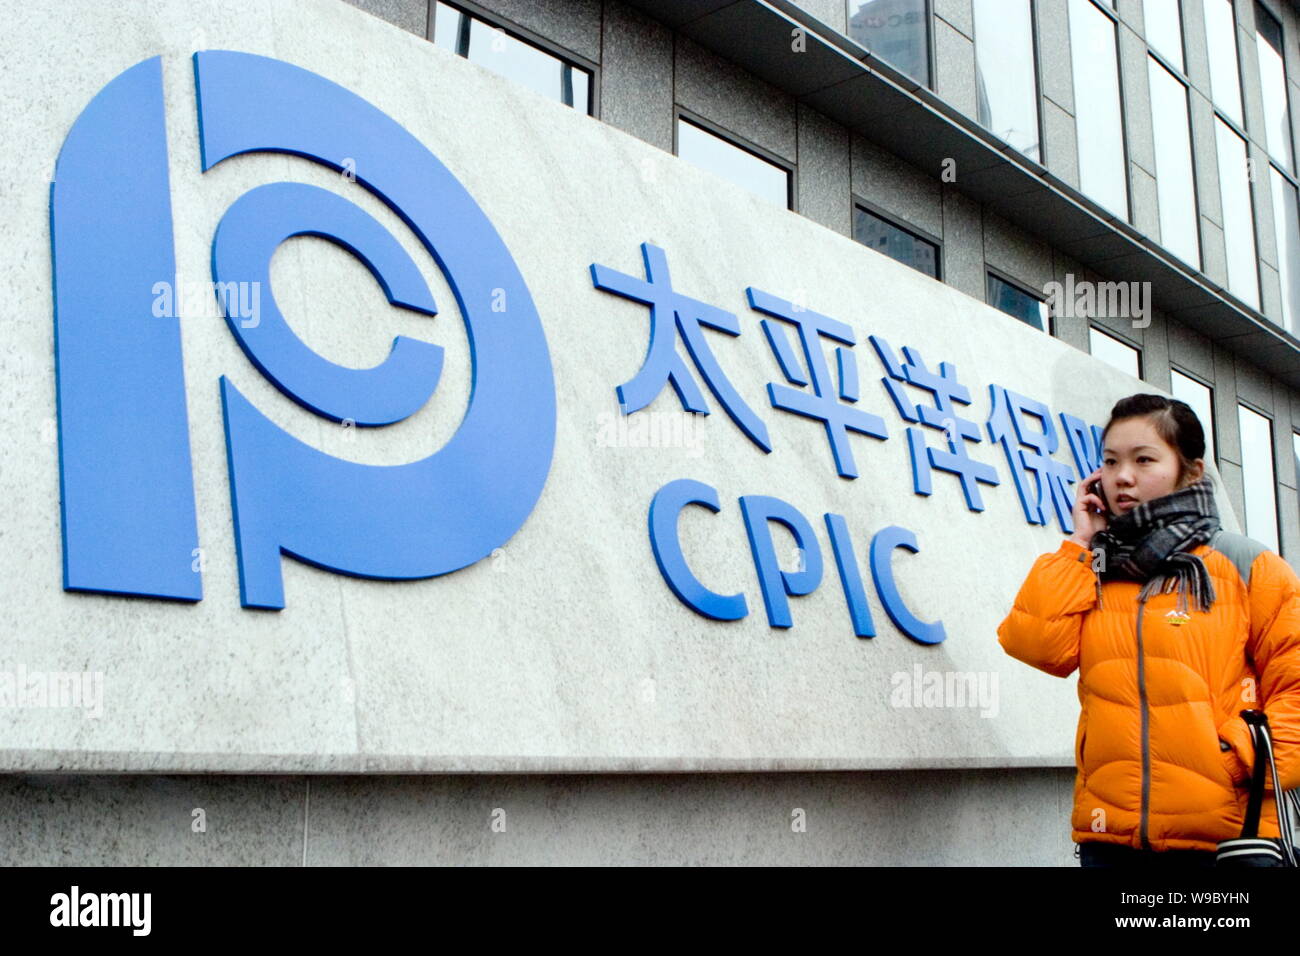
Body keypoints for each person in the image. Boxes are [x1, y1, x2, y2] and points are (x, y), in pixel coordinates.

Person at [997, 393, 1300, 867]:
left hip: (1223, 842)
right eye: (1111, 461)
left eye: (1143, 459)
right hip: (1111, 840)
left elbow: (1296, 689)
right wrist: (1079, 544)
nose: (1122, 476)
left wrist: (1240, 761)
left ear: (1192, 471)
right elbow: (1035, 646)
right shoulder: (1096, 567)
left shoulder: (1246, 565)